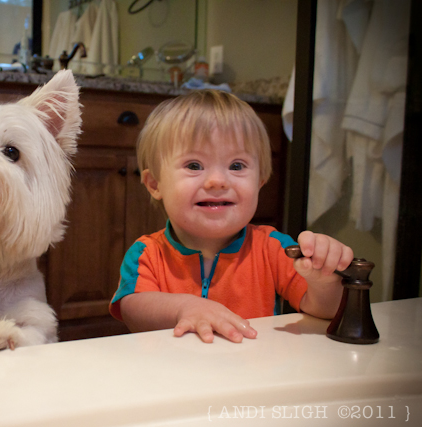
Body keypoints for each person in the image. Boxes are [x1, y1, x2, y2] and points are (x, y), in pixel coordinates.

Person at [109, 90, 353, 344]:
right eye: (194, 165)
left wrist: (323, 281)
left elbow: (327, 311)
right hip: (174, 379)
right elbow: (132, 309)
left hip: (253, 379)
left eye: (237, 166)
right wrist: (186, 308)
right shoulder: (147, 254)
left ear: (260, 181)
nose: (217, 181)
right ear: (154, 184)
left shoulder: (274, 249)